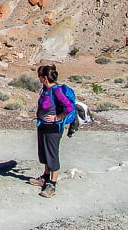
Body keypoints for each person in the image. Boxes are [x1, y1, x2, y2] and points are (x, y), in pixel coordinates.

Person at [29, 64, 73, 197]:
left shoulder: (56, 90)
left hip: (53, 128)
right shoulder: (45, 89)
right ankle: (45, 177)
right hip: (43, 125)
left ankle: (52, 184)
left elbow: (69, 107)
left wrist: (57, 118)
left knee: (52, 154)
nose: (38, 79)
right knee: (44, 152)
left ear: (44, 78)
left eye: (39, 77)